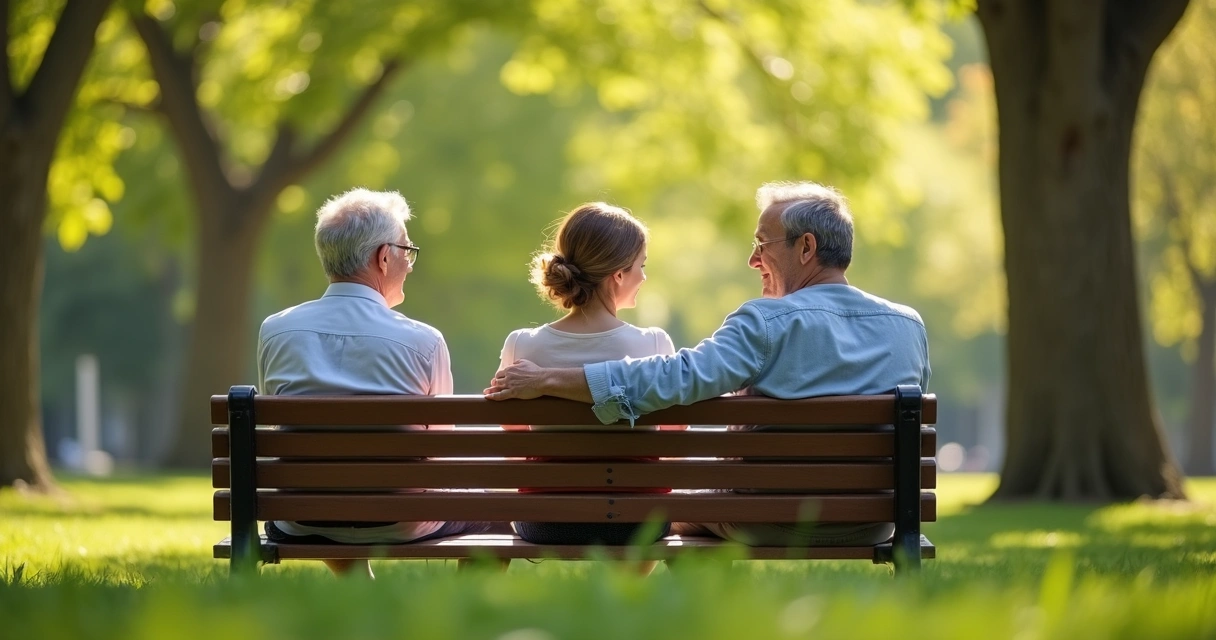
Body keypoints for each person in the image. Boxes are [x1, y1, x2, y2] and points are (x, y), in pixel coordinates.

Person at [485, 181, 931, 547]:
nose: (753, 260)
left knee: (663, 516)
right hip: (874, 521)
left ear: (806, 248)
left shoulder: (765, 322)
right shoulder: (907, 325)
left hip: (768, 520)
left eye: (761, 244)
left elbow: (675, 378)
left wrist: (547, 379)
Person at [258, 188, 490, 576]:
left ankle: (359, 589)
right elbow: (440, 449)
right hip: (400, 521)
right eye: (406, 251)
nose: (409, 265)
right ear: (383, 258)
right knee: (497, 512)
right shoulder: (424, 341)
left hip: (300, 518)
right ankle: (462, 610)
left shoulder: (275, 331)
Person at [496, 202, 682, 547]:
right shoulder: (654, 343)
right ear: (619, 275)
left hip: (545, 522)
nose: (644, 277)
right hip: (638, 523)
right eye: (641, 266)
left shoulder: (522, 345)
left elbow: (513, 434)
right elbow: (674, 435)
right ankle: (624, 583)